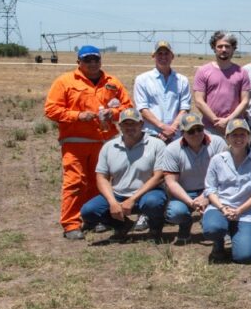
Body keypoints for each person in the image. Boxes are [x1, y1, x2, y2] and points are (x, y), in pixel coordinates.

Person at [45, 45, 133, 240]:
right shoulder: (65, 82)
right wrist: (78, 116)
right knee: (75, 182)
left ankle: (96, 219)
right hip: (75, 142)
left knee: (100, 183)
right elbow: (51, 109)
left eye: (96, 59)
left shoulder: (112, 82)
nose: (93, 63)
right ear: (79, 62)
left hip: (105, 143)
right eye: (87, 60)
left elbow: (128, 107)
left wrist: (114, 113)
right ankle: (71, 224)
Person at [79, 108, 168, 240]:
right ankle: (122, 225)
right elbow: (102, 177)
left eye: (133, 123)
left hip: (147, 193)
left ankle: (155, 227)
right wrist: (112, 202)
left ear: (141, 124)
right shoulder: (109, 147)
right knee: (88, 211)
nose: (129, 127)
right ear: (119, 126)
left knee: (154, 202)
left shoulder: (157, 144)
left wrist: (132, 199)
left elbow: (159, 176)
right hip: (118, 194)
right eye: (126, 124)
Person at [201, 118, 251, 263]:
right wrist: (222, 208)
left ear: (249, 137)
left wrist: (240, 210)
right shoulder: (217, 160)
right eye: (234, 135)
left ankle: (237, 233)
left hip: (246, 212)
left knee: (245, 257)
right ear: (227, 138)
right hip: (220, 207)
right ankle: (218, 243)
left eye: (242, 134)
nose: (239, 138)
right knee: (213, 228)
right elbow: (210, 189)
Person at [159, 113, 225, 245]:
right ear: (182, 133)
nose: (196, 134)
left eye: (199, 129)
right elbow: (171, 182)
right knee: (176, 213)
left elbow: (223, 176)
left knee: (224, 205)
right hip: (185, 192)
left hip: (214, 190)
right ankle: (185, 224)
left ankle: (222, 230)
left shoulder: (217, 142)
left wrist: (207, 195)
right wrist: (191, 202)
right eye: (191, 131)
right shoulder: (172, 149)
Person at [192, 31, 251, 136]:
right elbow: (199, 101)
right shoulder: (203, 71)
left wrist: (228, 120)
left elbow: (245, 101)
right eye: (220, 46)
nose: (223, 49)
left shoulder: (242, 72)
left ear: (233, 49)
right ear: (214, 48)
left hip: (235, 127)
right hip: (210, 127)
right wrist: (216, 121)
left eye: (227, 46)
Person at [133, 40, 191, 142]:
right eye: (159, 53)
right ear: (153, 56)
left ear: (172, 56)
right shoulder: (142, 80)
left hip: (175, 136)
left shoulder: (182, 80)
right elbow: (142, 109)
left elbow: (185, 109)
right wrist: (163, 127)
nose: (163, 56)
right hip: (151, 136)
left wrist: (172, 129)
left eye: (166, 53)